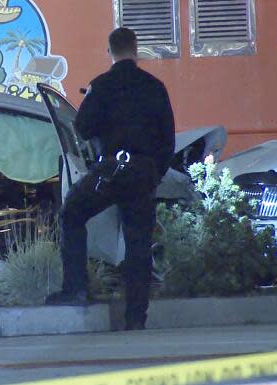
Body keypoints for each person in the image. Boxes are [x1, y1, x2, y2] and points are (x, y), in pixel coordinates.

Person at [45, 27, 175, 331]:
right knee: (138, 243)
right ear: (136, 49)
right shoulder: (155, 87)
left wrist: (93, 100)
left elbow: (83, 128)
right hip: (143, 172)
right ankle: (135, 318)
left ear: (109, 52)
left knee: (72, 214)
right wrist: (154, 174)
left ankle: (75, 288)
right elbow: (167, 138)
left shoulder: (101, 85)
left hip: (110, 171)